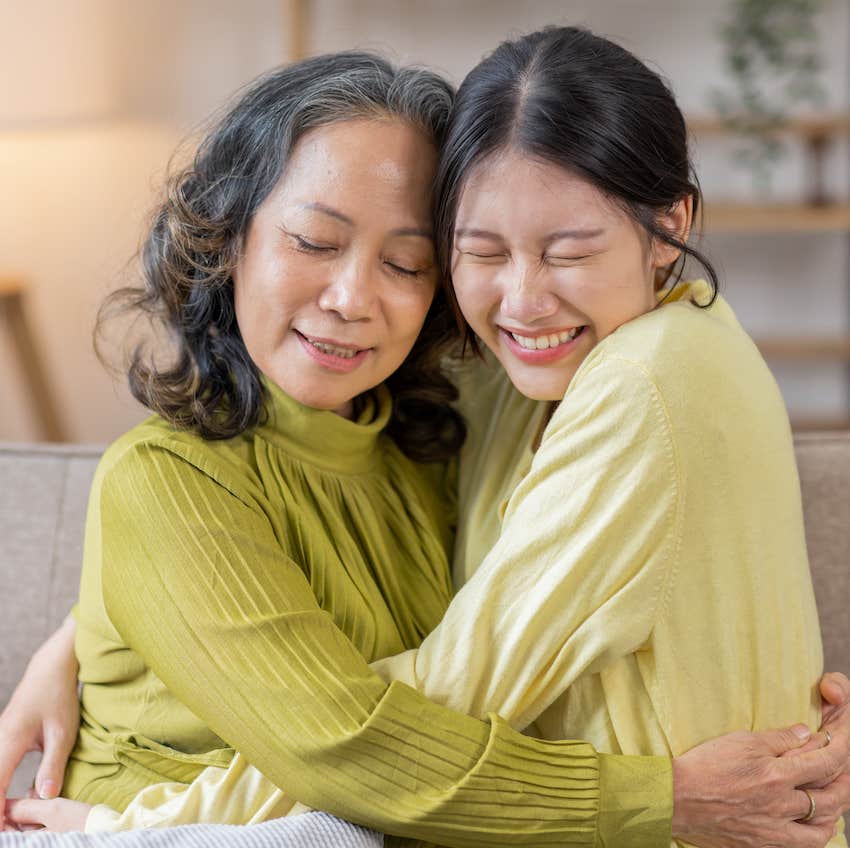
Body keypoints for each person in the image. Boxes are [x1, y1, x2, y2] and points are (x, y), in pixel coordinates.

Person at [2, 45, 849, 848]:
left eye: (407, 263)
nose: (351, 298)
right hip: (177, 826)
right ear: (227, 235)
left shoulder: (455, 425)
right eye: (315, 241)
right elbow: (346, 747)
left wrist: (81, 626)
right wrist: (668, 800)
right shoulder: (164, 483)